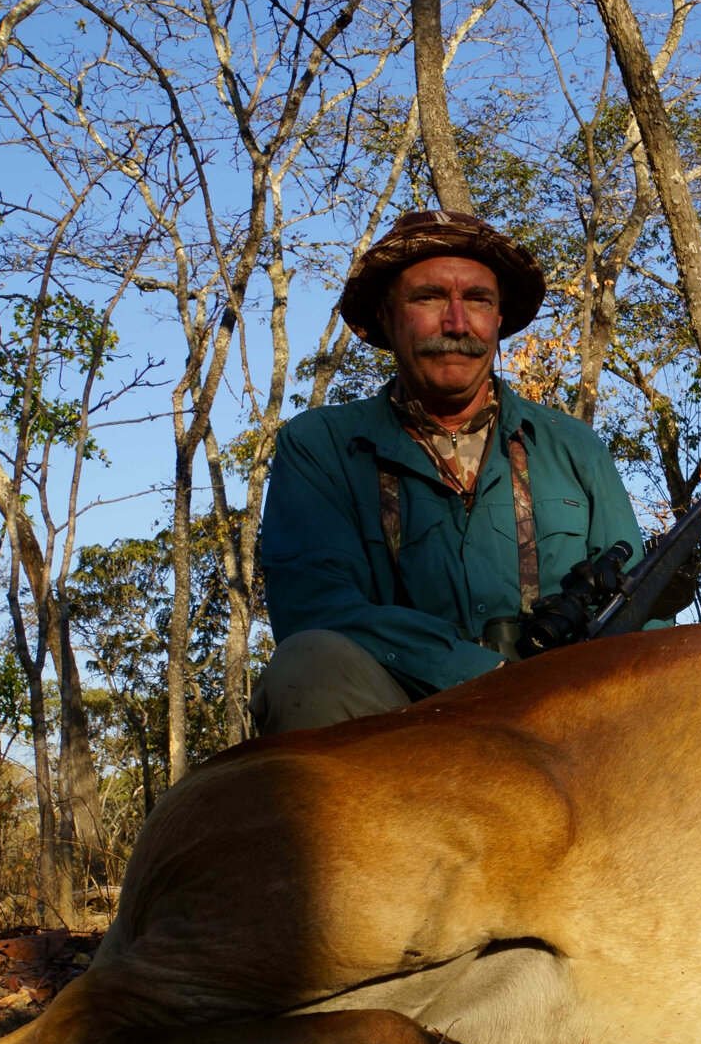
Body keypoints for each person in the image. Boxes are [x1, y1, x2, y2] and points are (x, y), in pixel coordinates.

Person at [252, 210, 650, 735]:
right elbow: (316, 606)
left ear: (499, 319)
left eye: (479, 300)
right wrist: (487, 678)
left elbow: (642, 610)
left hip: (567, 724)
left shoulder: (573, 446)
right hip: (401, 722)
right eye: (429, 297)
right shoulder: (319, 445)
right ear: (388, 316)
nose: (457, 324)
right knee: (307, 667)